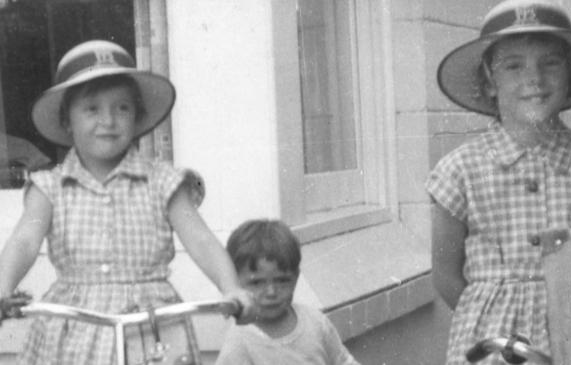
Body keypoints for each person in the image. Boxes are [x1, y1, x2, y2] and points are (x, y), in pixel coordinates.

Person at [0, 39, 254, 364]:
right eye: (92, 108)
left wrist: (230, 287)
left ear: (137, 116)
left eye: (122, 108)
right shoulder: (50, 186)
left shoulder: (162, 181)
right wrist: (4, 288)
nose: (108, 120)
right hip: (74, 326)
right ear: (67, 121)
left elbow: (201, 240)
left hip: (151, 328)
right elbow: (24, 241)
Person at [427, 0, 571, 363]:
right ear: (489, 81)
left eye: (550, 62)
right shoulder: (459, 170)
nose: (534, 79)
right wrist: (490, 319)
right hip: (491, 342)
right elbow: (446, 276)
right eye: (513, 65)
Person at [216, 219, 360, 365]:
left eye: (282, 280)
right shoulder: (239, 339)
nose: (271, 292)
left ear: (296, 278)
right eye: (257, 282)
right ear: (236, 283)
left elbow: (344, 361)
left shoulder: (315, 322)